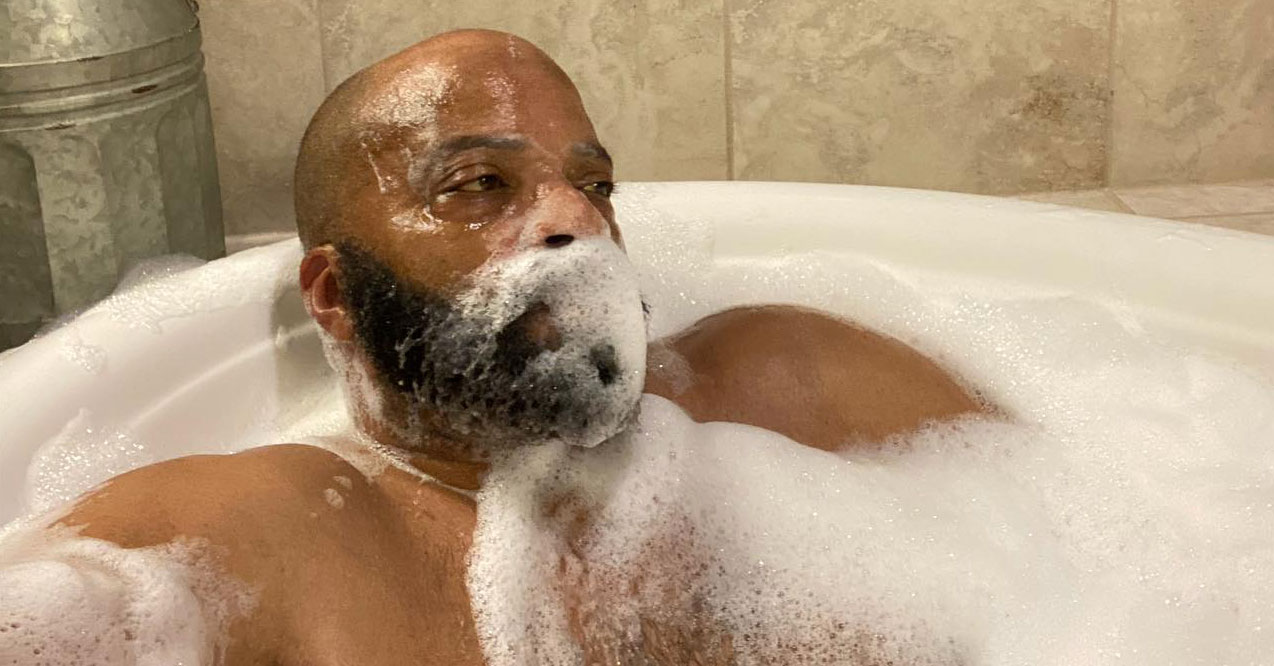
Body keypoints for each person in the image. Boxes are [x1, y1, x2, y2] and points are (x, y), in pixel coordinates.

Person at [4, 29, 984, 664]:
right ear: (334, 297)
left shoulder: (789, 382)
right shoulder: (271, 540)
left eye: (593, 185)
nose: (577, 218)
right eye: (476, 185)